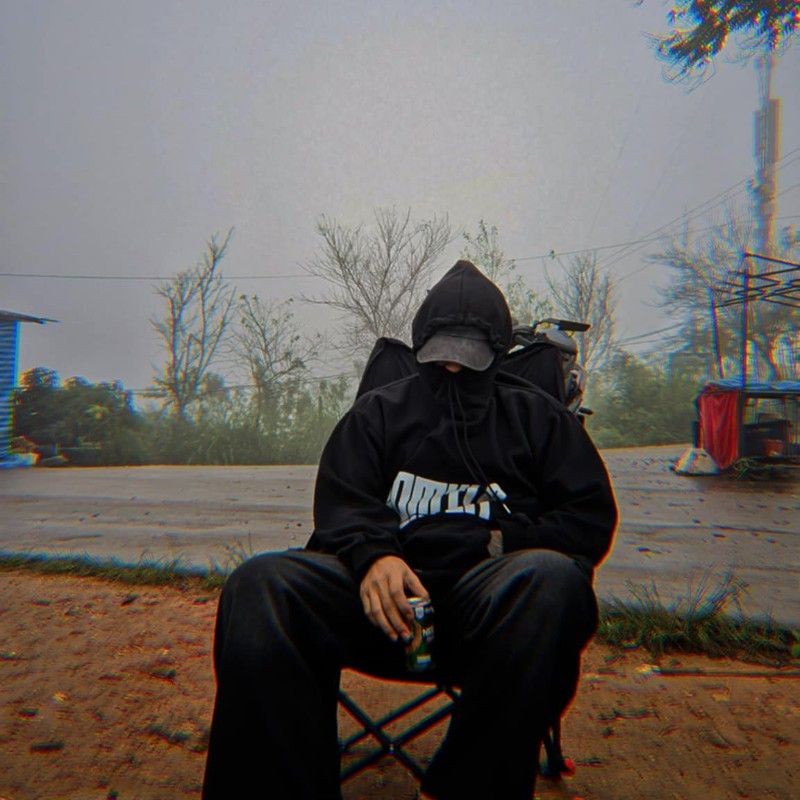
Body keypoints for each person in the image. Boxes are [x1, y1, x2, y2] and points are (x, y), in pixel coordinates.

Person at [202, 260, 617, 800]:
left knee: (552, 581)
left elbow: (588, 519)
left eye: (469, 359)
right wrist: (374, 554)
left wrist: (498, 542)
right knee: (261, 584)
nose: (452, 369)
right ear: (421, 345)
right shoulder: (378, 413)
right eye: (440, 356)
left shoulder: (538, 419)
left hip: (489, 615)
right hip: (380, 606)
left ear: (496, 353)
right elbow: (343, 502)